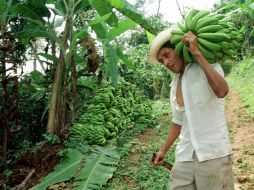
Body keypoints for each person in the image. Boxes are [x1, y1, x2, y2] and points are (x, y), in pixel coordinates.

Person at [148, 26, 234, 190]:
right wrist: (163, 151)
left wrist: (198, 54)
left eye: (167, 55)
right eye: (161, 61)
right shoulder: (174, 84)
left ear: (179, 49)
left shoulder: (206, 68)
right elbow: (177, 122)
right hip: (185, 154)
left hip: (212, 152)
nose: (166, 62)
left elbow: (222, 90)